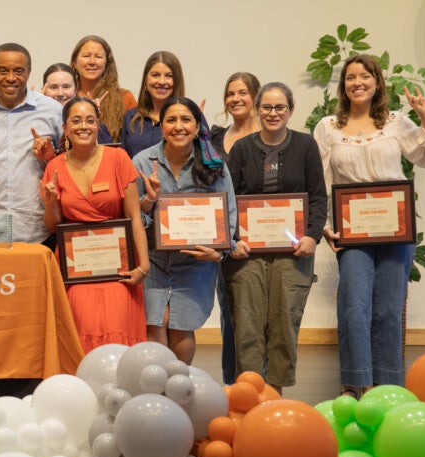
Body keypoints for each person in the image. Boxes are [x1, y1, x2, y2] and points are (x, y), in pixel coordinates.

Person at [314, 53, 425, 394]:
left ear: (377, 82)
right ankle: (356, 385)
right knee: (353, 308)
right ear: (343, 85)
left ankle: (388, 389)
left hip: (395, 229)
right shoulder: (328, 127)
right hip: (351, 231)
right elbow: (320, 179)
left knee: (388, 310)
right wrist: (325, 225)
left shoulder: (395, 122)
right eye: (350, 77)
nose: (357, 83)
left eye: (365, 76)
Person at [224, 82, 327, 392]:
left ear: (290, 110)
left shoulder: (306, 145)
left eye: (279, 107)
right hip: (247, 253)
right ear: (257, 111)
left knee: (284, 323)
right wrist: (233, 239)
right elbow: (228, 200)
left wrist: (312, 236)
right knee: (247, 325)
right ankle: (249, 393)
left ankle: (275, 395)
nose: (272, 113)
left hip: (293, 252)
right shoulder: (241, 149)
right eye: (266, 107)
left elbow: (318, 197)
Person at [133, 97, 238, 365]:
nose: (178, 126)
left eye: (186, 120)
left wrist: (218, 254)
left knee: (181, 327)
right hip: (154, 260)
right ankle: (156, 386)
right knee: (156, 323)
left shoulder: (214, 164)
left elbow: (228, 214)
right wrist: (149, 201)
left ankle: (179, 382)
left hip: (197, 262)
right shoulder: (142, 162)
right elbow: (133, 218)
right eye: (171, 120)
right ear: (161, 126)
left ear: (197, 126)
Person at [42, 97, 148, 351]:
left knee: (118, 334)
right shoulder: (54, 167)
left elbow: (134, 217)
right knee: (81, 332)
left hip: (118, 268)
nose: (83, 127)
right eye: (76, 121)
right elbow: (53, 226)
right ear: (65, 128)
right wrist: (50, 203)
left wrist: (143, 266)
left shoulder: (118, 158)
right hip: (76, 270)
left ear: (98, 125)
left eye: (90, 120)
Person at [0, 42, 64, 244]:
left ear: (29, 73)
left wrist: (51, 156)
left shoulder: (52, 110)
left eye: (18, 71)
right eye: (3, 70)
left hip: (39, 231)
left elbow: (70, 165)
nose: (10, 78)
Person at [210, 72, 261, 383]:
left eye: (243, 92)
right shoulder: (214, 139)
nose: (236, 99)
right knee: (230, 312)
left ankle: (260, 382)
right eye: (230, 93)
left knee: (260, 316)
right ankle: (232, 383)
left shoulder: (270, 136)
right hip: (227, 237)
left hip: (263, 236)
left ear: (255, 96)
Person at [70, 35, 135, 142]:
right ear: (74, 63)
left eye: (98, 57)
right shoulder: (66, 97)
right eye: (86, 56)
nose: (92, 62)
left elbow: (134, 142)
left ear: (106, 65)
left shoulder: (125, 98)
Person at [122, 51, 185, 158]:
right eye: (155, 75)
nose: (161, 81)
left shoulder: (190, 117)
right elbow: (119, 160)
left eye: (169, 76)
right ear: (145, 80)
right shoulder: (130, 118)